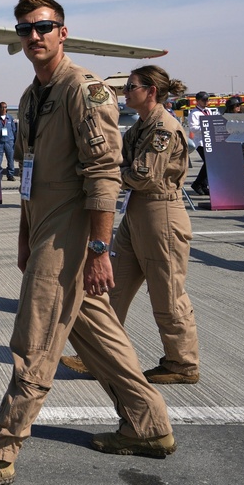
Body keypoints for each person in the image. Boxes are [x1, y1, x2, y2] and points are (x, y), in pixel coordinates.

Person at [0, 0, 175, 485]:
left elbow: (104, 174)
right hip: (43, 227)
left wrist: (97, 249)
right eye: (25, 29)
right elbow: (27, 172)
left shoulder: (83, 90)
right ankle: (148, 426)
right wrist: (25, 234)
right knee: (98, 335)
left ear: (62, 32)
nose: (34, 37)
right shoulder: (31, 97)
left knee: (36, 336)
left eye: (43, 27)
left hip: (73, 232)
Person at [60, 66, 199, 385]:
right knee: (110, 287)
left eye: (131, 87)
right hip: (138, 213)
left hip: (160, 213)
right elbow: (119, 160)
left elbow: (141, 175)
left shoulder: (163, 127)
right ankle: (99, 353)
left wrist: (98, 180)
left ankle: (182, 362)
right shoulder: (141, 126)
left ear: (150, 91)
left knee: (167, 294)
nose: (125, 92)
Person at [187, 91, 217, 196]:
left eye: (207, 100)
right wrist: (205, 126)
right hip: (200, 142)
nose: (206, 102)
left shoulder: (209, 111)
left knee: (211, 164)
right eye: (204, 100)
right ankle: (197, 184)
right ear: (198, 101)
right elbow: (193, 128)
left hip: (210, 141)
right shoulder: (194, 113)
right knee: (209, 163)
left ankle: (204, 185)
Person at [0, 101, 18, 180]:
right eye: (2, 107)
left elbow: (14, 130)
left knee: (10, 159)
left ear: (7, 108)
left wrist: (15, 141)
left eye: (5, 107)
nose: (3, 109)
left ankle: (10, 174)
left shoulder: (10, 118)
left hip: (9, 141)